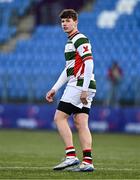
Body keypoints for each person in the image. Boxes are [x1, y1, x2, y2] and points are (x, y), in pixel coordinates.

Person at [46, 9, 96, 172]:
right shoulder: (70, 42)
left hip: (79, 84)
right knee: (81, 123)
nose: (65, 24)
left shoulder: (80, 38)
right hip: (83, 84)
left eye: (68, 21)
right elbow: (69, 69)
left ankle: (70, 156)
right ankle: (87, 162)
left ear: (76, 22)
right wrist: (54, 88)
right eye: (62, 21)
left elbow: (89, 63)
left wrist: (83, 88)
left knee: (59, 118)